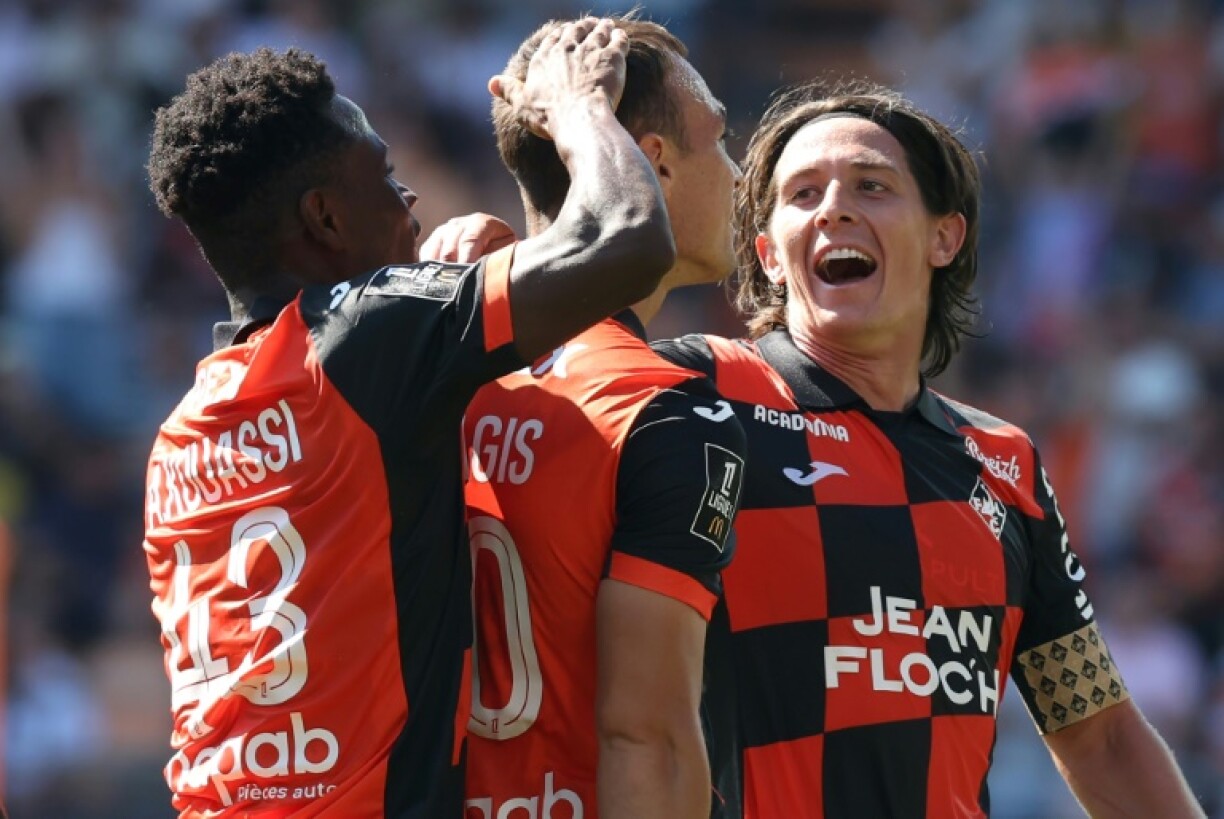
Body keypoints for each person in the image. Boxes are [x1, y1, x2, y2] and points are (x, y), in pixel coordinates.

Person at [141, 20, 678, 818]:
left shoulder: (182, 433)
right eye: (387, 178)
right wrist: (578, 108)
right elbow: (627, 237)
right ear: (325, 218)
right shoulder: (367, 337)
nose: (411, 200)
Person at [652, 79, 1205, 818]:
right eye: (804, 193)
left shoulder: (1005, 463)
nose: (833, 208)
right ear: (770, 255)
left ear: (946, 237)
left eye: (871, 185)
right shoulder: (698, 391)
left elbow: (1098, 732)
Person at [457, 17, 746, 819]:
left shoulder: (440, 359)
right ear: (653, 161)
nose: (737, 172)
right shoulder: (661, 404)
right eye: (721, 141)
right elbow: (647, 741)